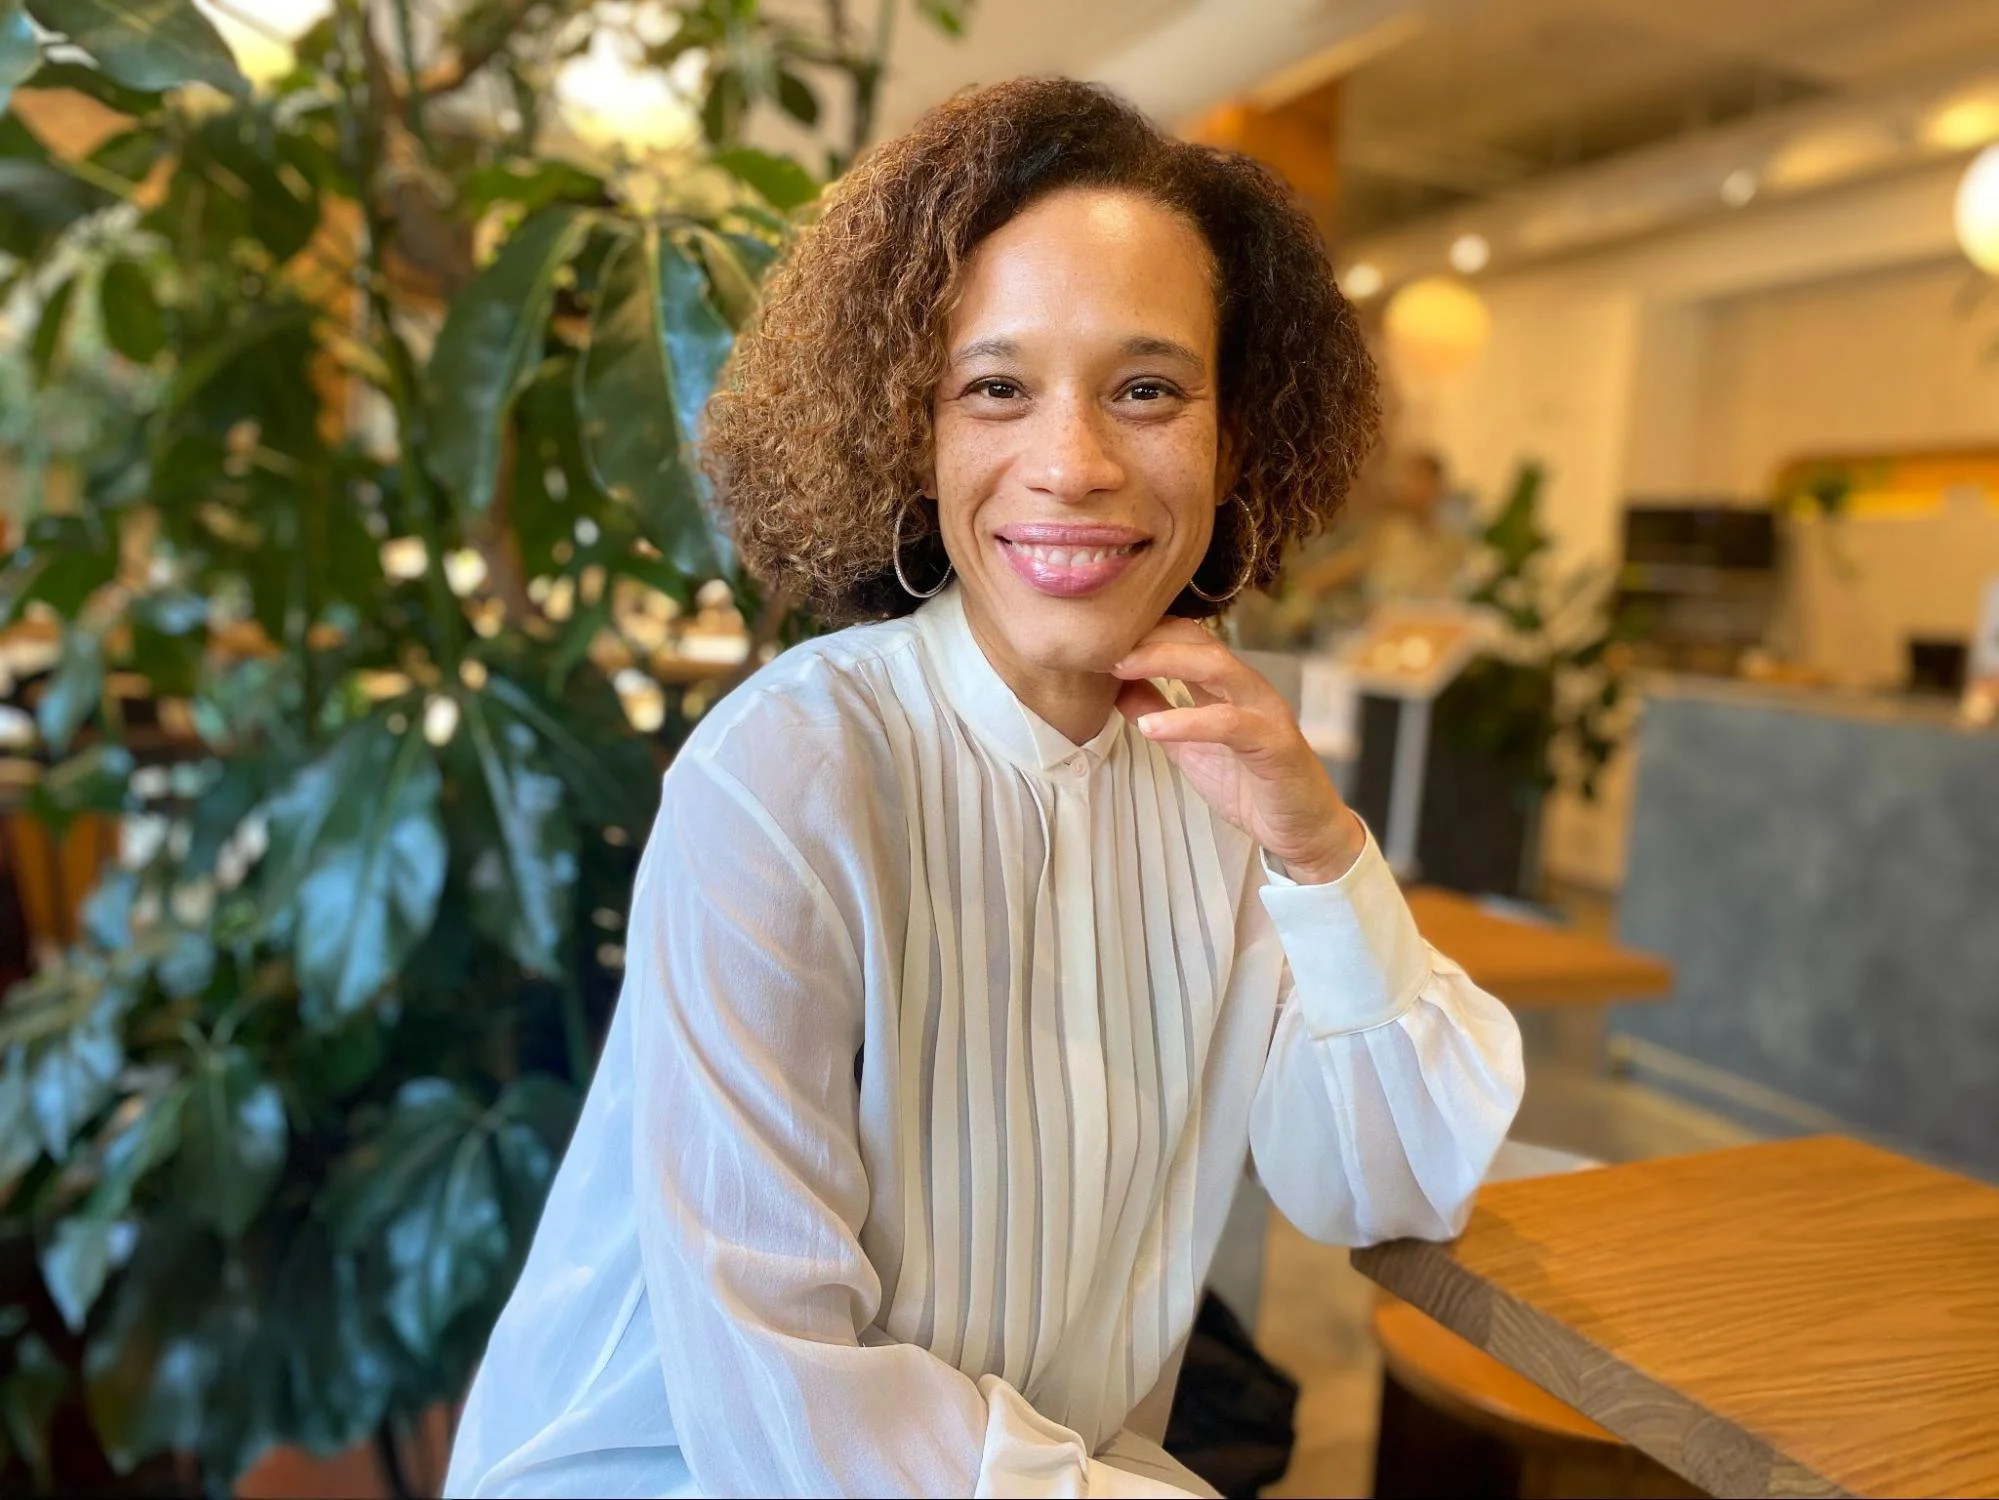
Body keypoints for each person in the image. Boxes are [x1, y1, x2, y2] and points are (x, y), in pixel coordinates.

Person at [445, 79, 1523, 1499]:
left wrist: (1315, 845)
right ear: (914, 429)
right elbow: (780, 1396)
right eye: (995, 388)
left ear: (1235, 434)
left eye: (1145, 390)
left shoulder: (1217, 774)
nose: (1070, 465)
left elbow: (1382, 1182)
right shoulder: (790, 770)